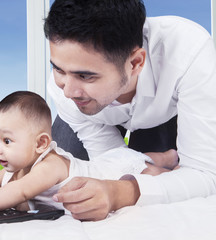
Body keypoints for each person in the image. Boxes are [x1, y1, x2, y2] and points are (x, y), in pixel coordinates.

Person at [44, 0, 216, 221]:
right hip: (95, 115)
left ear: (135, 62)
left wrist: (121, 192)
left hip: (166, 116)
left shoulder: (188, 51)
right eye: (58, 69)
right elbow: (109, 163)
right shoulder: (64, 90)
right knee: (63, 172)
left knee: (174, 185)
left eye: (85, 76)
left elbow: (205, 173)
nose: (67, 91)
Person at [0, 91, 178, 216]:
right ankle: (164, 156)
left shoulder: (50, 166)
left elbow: (20, 191)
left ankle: (169, 159)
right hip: (106, 161)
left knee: (150, 170)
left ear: (41, 144)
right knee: (138, 157)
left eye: (7, 140)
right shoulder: (19, 169)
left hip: (112, 172)